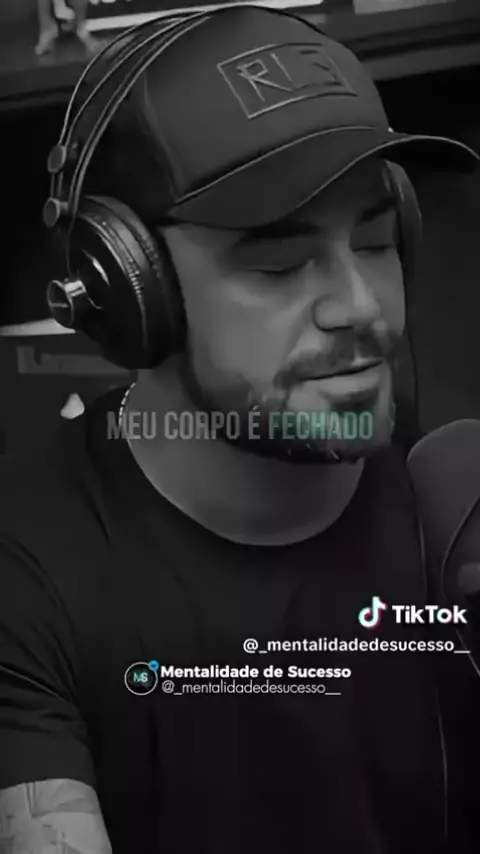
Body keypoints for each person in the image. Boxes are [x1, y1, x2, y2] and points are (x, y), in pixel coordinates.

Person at [1, 6, 479, 853]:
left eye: (376, 243)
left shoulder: (457, 507)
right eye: (279, 265)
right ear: (129, 294)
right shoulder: (25, 572)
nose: (360, 306)